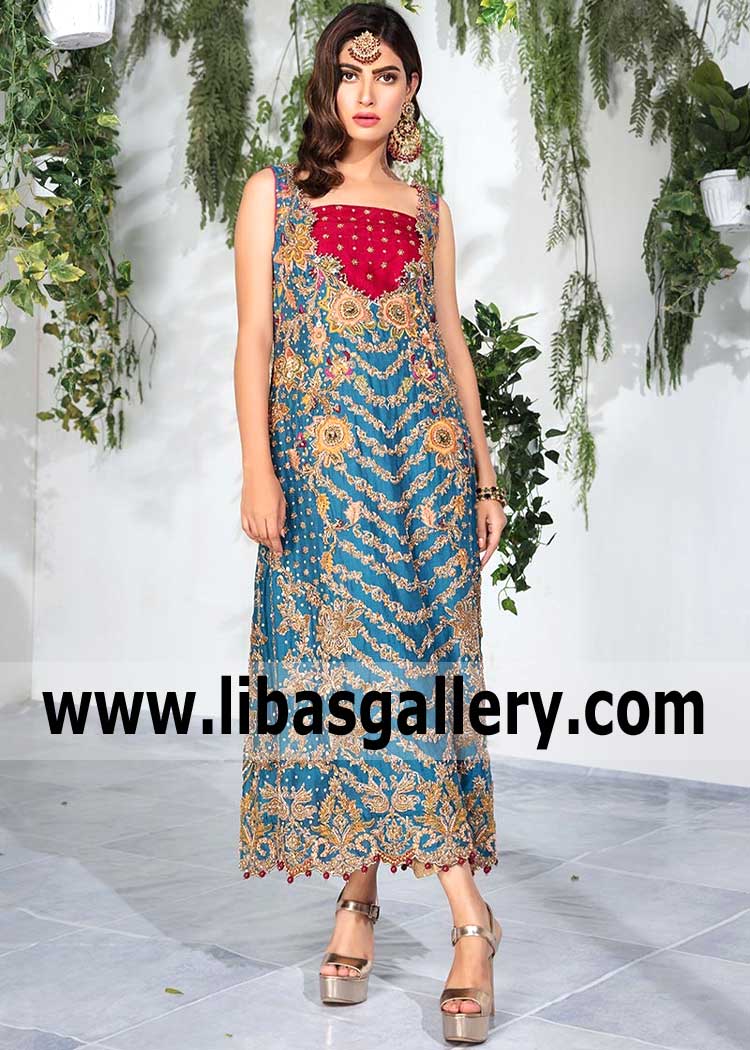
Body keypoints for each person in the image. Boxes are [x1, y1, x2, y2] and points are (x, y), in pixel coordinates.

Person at [233, 3, 507, 1042]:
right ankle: (455, 915)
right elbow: (255, 341)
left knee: (416, 677)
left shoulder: (428, 211)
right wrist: (258, 468)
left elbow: (451, 342)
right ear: (325, 83)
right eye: (350, 74)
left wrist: (484, 478)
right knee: (347, 680)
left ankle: (382, 909)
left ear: (410, 90)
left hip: (425, 475)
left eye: (386, 75)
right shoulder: (275, 195)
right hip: (319, 479)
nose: (365, 93)